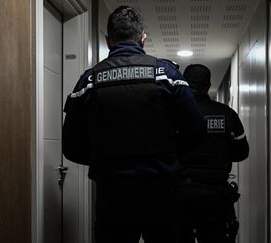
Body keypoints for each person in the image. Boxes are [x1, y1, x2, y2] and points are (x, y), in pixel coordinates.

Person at [62, 6, 205, 243]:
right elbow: (197, 131)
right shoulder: (166, 75)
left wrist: (104, 158)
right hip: (162, 189)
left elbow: (70, 146)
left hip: (112, 193)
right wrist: (171, 157)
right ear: (143, 39)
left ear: (108, 40)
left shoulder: (89, 81)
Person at [179, 64, 249, 243]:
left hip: (180, 192)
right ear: (208, 86)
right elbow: (242, 152)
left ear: (184, 84)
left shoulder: (173, 112)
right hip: (215, 193)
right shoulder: (227, 113)